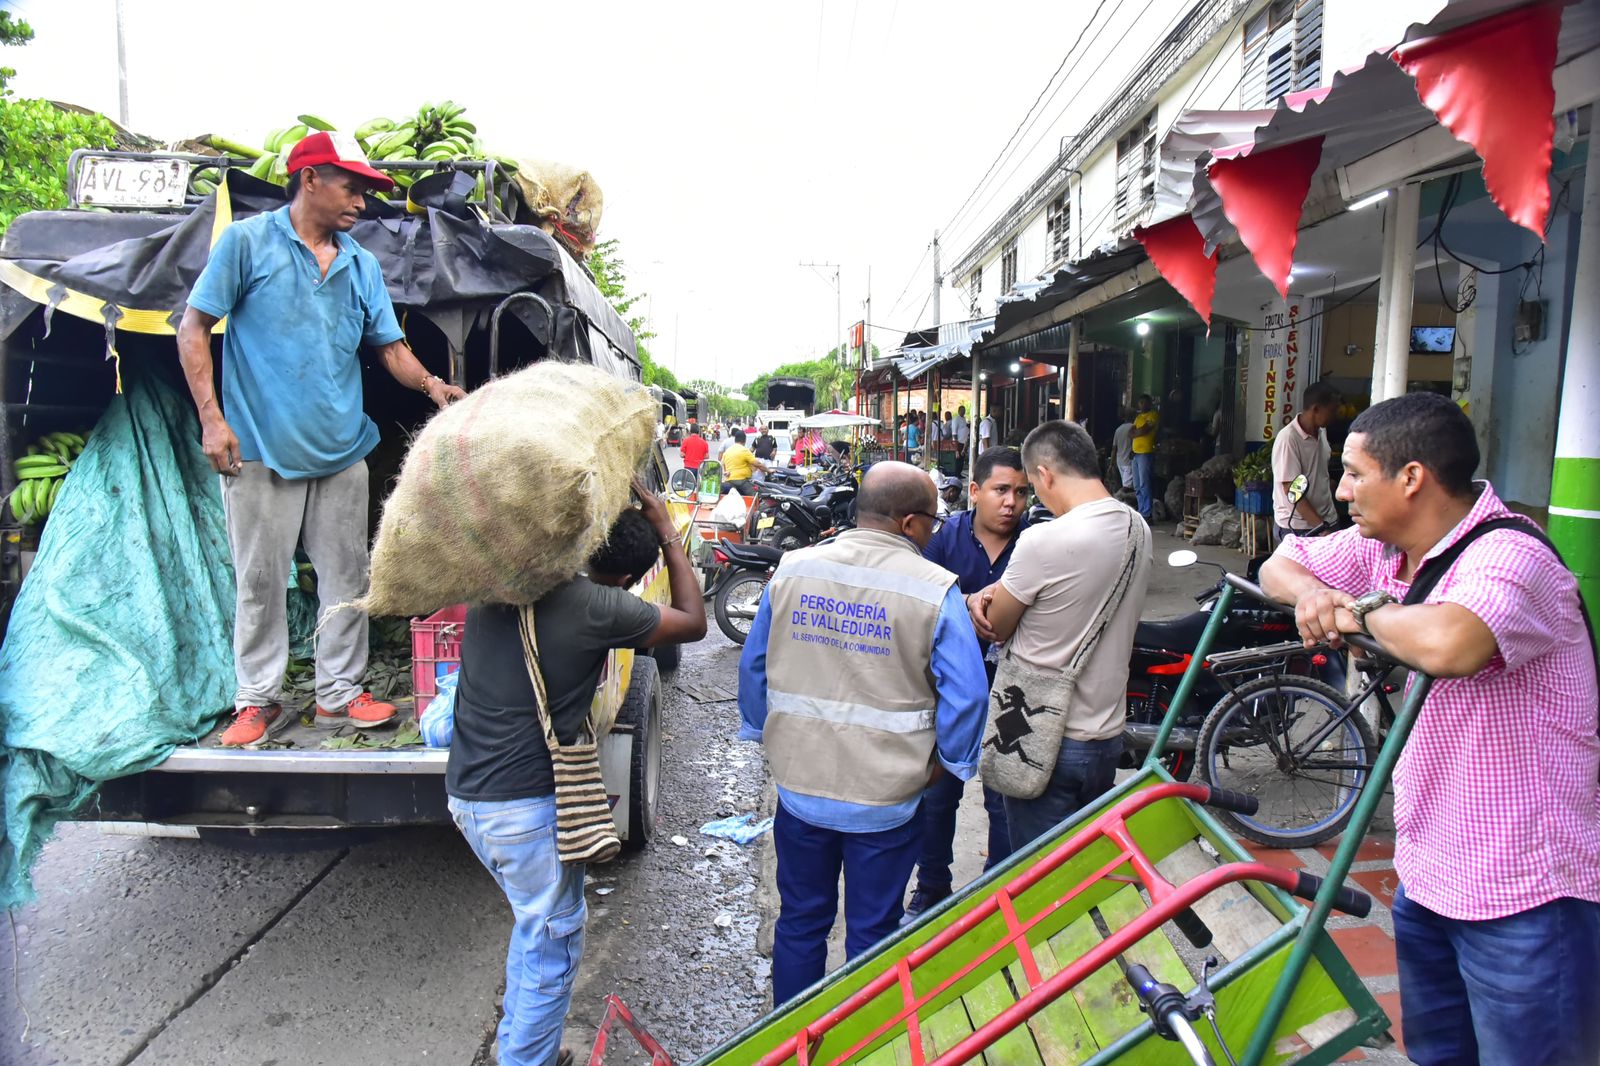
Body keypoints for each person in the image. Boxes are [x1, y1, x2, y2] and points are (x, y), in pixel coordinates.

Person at [1258, 393, 1599, 1066]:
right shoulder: (1385, 550)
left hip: (1523, 892)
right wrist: (1315, 596)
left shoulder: (1508, 557)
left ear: (1410, 479)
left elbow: (1451, 643)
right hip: (1429, 871)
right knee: (1440, 1054)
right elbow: (1278, 564)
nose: (1343, 489)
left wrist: (1351, 615)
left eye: (1355, 473)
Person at [177, 132, 467, 750]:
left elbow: (389, 349)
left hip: (342, 450)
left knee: (348, 581)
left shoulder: (359, 264)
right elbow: (193, 327)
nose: (361, 202)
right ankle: (258, 701)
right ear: (309, 179)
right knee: (259, 582)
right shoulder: (247, 244)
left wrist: (434, 385)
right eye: (351, 187)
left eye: (364, 191)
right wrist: (211, 417)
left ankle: (340, 694)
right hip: (257, 448)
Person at [448, 480, 706, 1066]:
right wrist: (668, 531)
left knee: (534, 926)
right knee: (552, 943)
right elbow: (693, 622)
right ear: (623, 577)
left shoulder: (502, 581)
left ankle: (520, 1045)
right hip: (523, 809)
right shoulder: (600, 607)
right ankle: (525, 1060)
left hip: (467, 795)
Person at [738, 462, 988, 1004]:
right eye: (934, 521)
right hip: (887, 799)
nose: (936, 531)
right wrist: (948, 762)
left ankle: (791, 1042)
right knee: (874, 933)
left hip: (802, 788)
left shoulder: (794, 568)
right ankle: (862, 1044)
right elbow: (968, 695)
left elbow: (754, 665)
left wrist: (763, 731)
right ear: (910, 523)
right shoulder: (934, 589)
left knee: (801, 920)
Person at [970, 421, 1151, 850]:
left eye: (1031, 485)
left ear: (1045, 475)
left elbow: (997, 624)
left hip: (1043, 739)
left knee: (1038, 881)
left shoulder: (1042, 540)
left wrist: (982, 599)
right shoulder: (1138, 528)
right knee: (1078, 875)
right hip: (1105, 740)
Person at [905, 447, 1032, 920]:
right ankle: (932, 885)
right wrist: (968, 599)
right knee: (939, 794)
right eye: (1001, 490)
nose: (1011, 503)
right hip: (951, 689)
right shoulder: (946, 539)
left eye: (1021, 492)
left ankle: (995, 892)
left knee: (1003, 799)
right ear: (975, 492)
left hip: (1015, 690)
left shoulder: (1035, 543)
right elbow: (919, 595)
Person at [1271, 381, 1340, 540]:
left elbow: (1319, 474)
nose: (1335, 416)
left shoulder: (1322, 432)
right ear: (1316, 409)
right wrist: (1321, 529)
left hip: (1327, 520)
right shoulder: (1289, 439)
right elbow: (1292, 491)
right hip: (1300, 529)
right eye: (1332, 410)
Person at [1130, 394, 1158, 520]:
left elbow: (1144, 431)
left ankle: (1147, 513)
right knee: (1137, 485)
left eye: (1144, 402)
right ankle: (1142, 511)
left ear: (1149, 404)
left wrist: (1137, 432)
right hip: (1136, 453)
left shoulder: (1153, 415)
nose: (1142, 405)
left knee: (1144, 483)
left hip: (1146, 453)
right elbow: (1130, 433)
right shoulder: (1138, 417)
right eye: (1140, 402)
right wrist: (1137, 432)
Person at [720, 429, 768, 496]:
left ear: (735, 440)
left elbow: (724, 466)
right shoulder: (744, 450)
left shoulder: (727, 451)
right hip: (742, 481)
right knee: (757, 496)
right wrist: (768, 470)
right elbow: (758, 464)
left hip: (729, 480)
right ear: (745, 440)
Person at [1111, 409, 1135, 493]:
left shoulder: (1118, 430)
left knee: (1125, 484)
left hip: (1120, 461)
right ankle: (1120, 499)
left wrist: (1111, 463)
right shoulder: (1134, 428)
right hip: (1129, 462)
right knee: (1127, 487)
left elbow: (1114, 448)